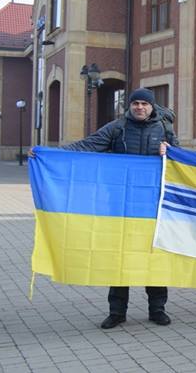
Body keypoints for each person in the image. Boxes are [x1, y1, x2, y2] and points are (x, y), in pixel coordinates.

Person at [60, 87, 177, 329]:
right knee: (119, 258)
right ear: (130, 106)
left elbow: (180, 160)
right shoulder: (117, 128)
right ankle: (117, 312)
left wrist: (171, 152)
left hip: (151, 205)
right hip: (120, 205)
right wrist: (50, 153)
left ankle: (157, 309)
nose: (140, 107)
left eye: (145, 104)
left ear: (152, 106)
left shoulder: (164, 129)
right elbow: (88, 145)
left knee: (153, 257)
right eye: (135, 103)